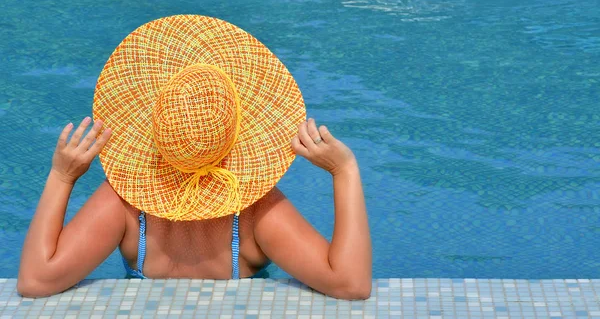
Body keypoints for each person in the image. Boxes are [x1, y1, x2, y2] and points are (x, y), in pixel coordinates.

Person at [17, 15, 371, 299]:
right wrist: (345, 171)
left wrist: (62, 177)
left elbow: (35, 282)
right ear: (240, 131)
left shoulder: (122, 205)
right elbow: (350, 284)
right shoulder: (254, 214)